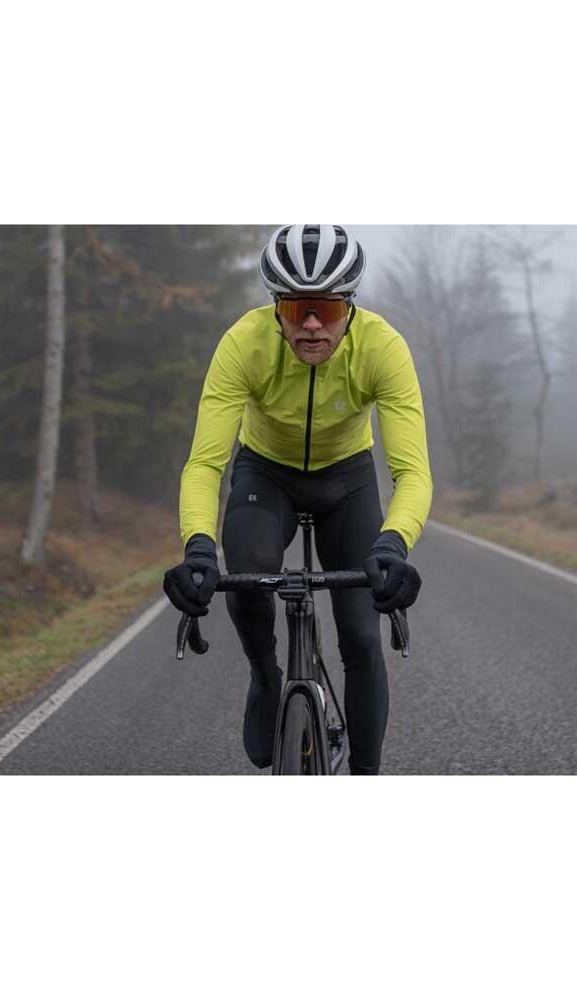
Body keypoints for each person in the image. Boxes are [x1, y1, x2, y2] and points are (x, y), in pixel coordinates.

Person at [163, 224, 432, 774]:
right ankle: (266, 675)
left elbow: (413, 473)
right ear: (276, 309)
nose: (311, 325)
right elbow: (205, 464)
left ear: (349, 308)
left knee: (361, 636)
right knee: (248, 573)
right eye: (295, 309)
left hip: (347, 480)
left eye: (326, 310)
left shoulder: (382, 348)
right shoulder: (243, 344)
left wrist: (394, 544)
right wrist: (198, 547)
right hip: (266, 473)